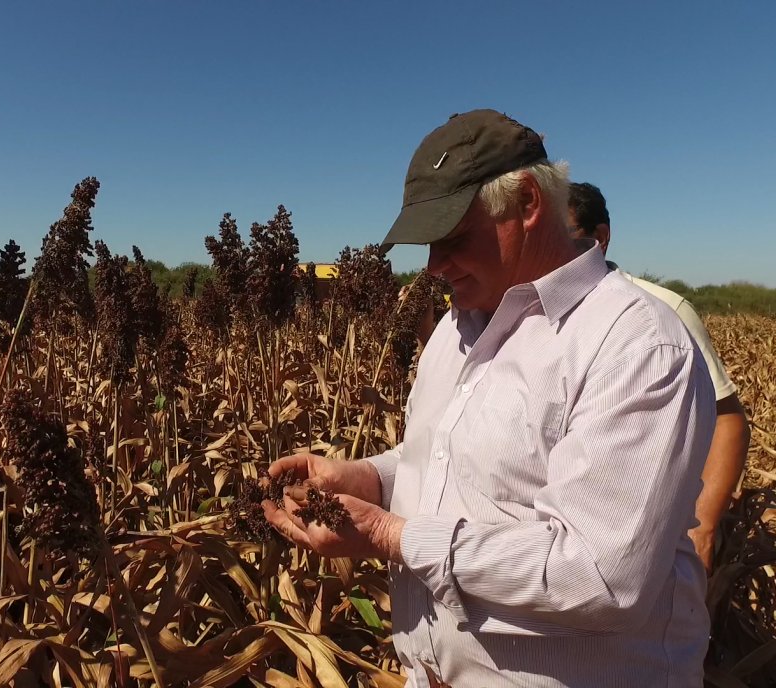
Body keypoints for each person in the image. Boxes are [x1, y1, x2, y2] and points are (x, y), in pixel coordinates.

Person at [262, 109, 716, 687]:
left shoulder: (634, 344)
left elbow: (601, 577)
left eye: (452, 237)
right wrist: (366, 479)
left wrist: (387, 535)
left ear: (527, 203)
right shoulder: (458, 328)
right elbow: (448, 464)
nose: (432, 266)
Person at [568, 181, 751, 573]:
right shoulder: (531, 319)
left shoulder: (664, 311)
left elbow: (728, 419)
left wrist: (701, 529)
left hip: (658, 553)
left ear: (600, 239)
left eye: (561, 239)